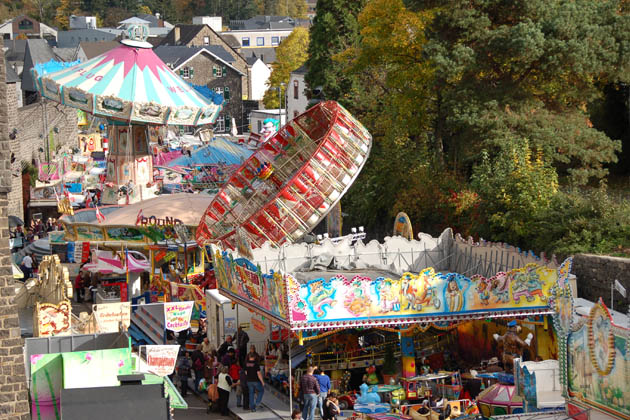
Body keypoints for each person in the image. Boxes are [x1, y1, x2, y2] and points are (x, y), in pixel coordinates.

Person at [245, 348, 265, 412]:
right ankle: (257, 402)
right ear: (254, 357)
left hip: (249, 381)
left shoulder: (246, 364)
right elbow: (258, 373)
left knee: (251, 393)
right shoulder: (256, 364)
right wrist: (262, 382)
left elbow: (246, 372)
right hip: (256, 380)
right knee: (261, 390)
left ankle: (252, 408)